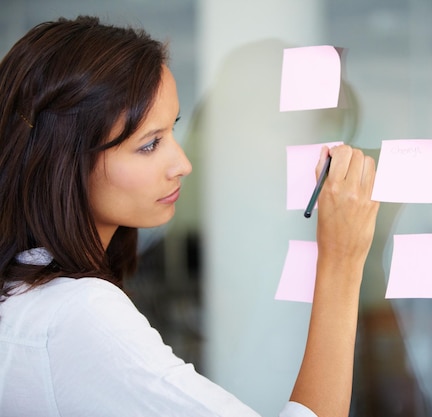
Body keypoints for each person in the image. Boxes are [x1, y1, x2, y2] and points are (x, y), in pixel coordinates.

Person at [0, 16, 379, 417]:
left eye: (172, 130)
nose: (182, 163)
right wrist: (342, 260)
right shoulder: (80, 315)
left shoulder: (25, 294)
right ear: (65, 161)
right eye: (150, 145)